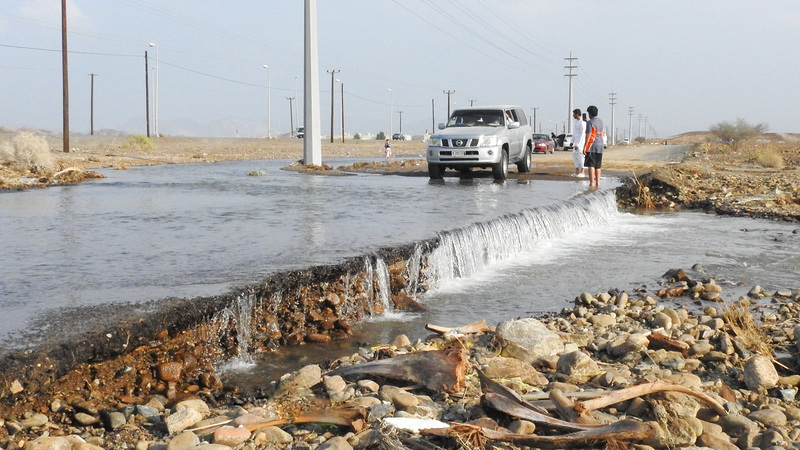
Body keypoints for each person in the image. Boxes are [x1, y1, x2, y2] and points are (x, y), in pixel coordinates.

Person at [582, 105, 605, 187]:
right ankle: (598, 183)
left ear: (590, 113)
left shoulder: (590, 123)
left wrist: (585, 147)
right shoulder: (601, 121)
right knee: (598, 166)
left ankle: (591, 183)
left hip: (592, 146)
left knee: (591, 165)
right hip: (600, 145)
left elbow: (588, 135)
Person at [571, 108, 586, 177]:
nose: (573, 115)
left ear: (577, 114)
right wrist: (572, 141)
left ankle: (582, 172)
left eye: (574, 114)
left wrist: (578, 144)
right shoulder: (576, 122)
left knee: (581, 157)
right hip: (575, 143)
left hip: (581, 143)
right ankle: (577, 171)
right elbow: (574, 133)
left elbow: (582, 134)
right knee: (575, 157)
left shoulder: (582, 123)